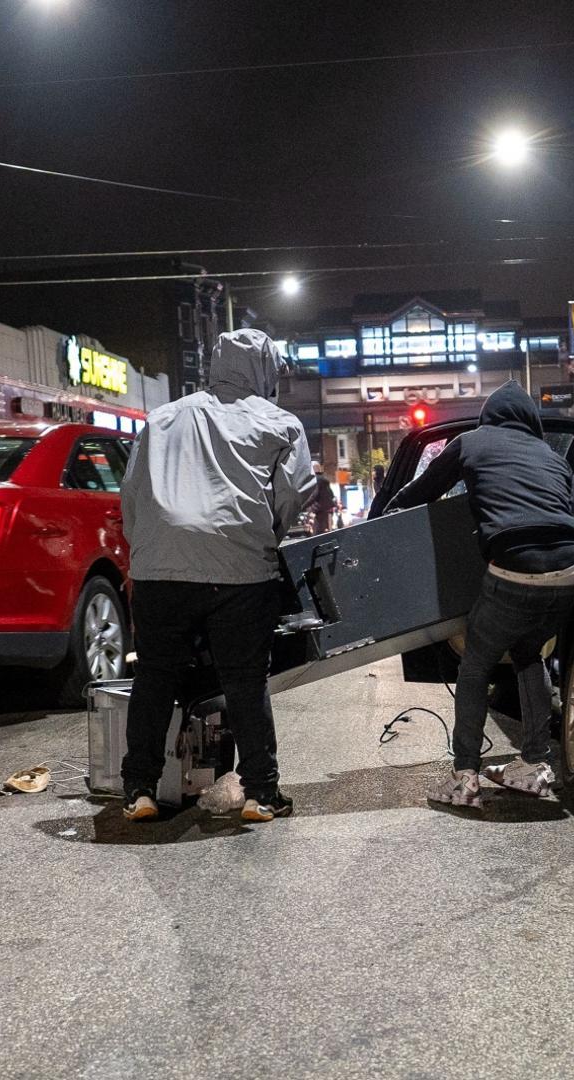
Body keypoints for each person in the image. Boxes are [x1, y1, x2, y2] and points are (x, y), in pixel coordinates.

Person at [119, 328, 315, 823]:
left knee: (156, 677)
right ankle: (261, 793)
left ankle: (139, 790)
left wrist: (147, 553)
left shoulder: (162, 418)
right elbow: (295, 492)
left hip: (161, 570)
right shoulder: (280, 423)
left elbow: (133, 494)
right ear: (267, 369)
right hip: (239, 571)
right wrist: (265, 536)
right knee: (245, 681)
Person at [384, 380, 574, 809]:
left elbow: (422, 492)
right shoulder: (552, 457)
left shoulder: (471, 442)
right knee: (530, 655)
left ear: (489, 417)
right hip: (569, 572)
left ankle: (465, 775)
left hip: (515, 568)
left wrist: (383, 520)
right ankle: (535, 764)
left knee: (476, 661)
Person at [310, 463, 339, 533]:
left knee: (318, 530)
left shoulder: (315, 480)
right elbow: (331, 495)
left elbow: (313, 495)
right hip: (327, 509)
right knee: (326, 529)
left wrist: (304, 505)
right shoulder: (325, 480)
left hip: (319, 509)